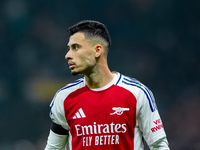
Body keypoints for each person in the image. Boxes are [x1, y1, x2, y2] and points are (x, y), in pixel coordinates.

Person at [45, 20, 170, 150]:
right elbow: (53, 148)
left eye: (75, 47)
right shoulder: (64, 98)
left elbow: (159, 145)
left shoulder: (137, 93)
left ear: (97, 50)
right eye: (69, 49)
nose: (67, 55)